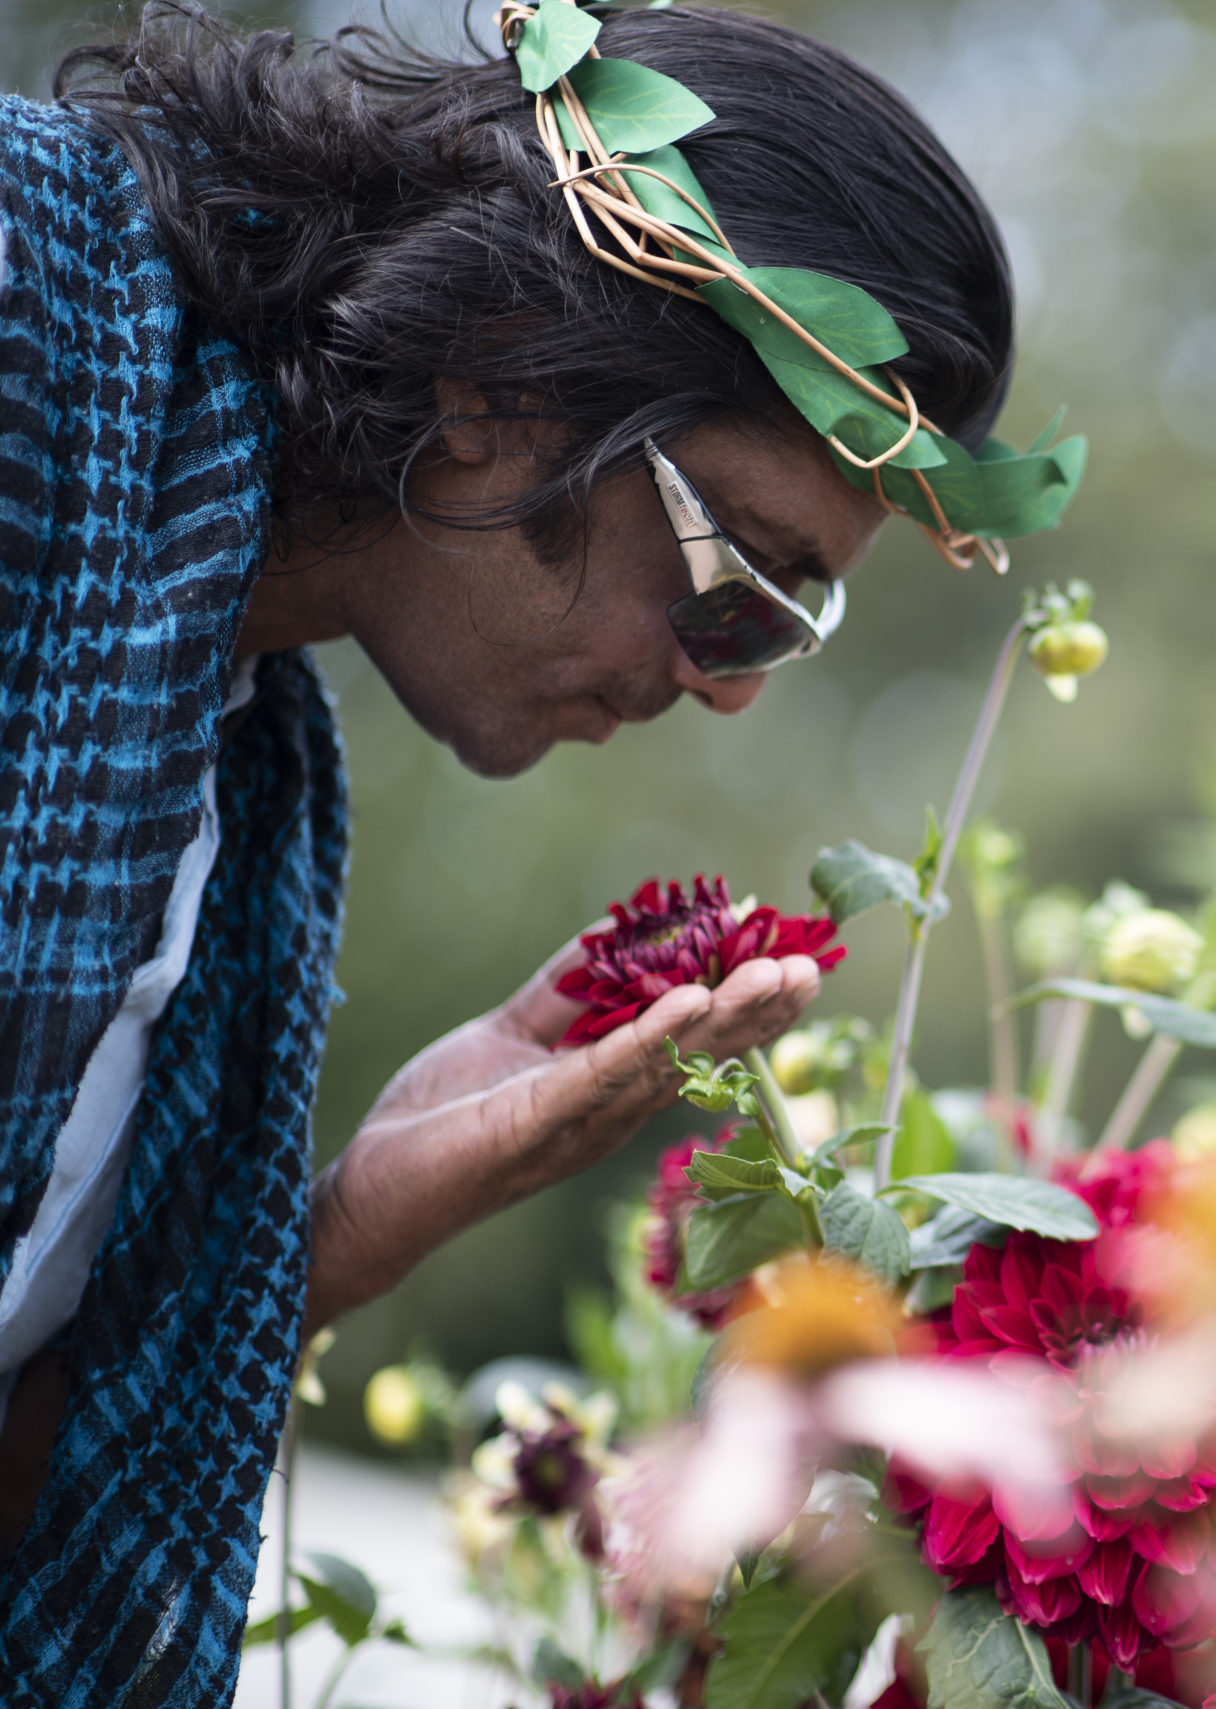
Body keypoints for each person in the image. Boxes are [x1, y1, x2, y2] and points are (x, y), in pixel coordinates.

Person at [0, 3, 1056, 1698]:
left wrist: (344, 1228)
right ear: (505, 371)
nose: (722, 684)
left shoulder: (246, 796)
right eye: (737, 586)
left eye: (786, 628)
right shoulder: (24, 313)